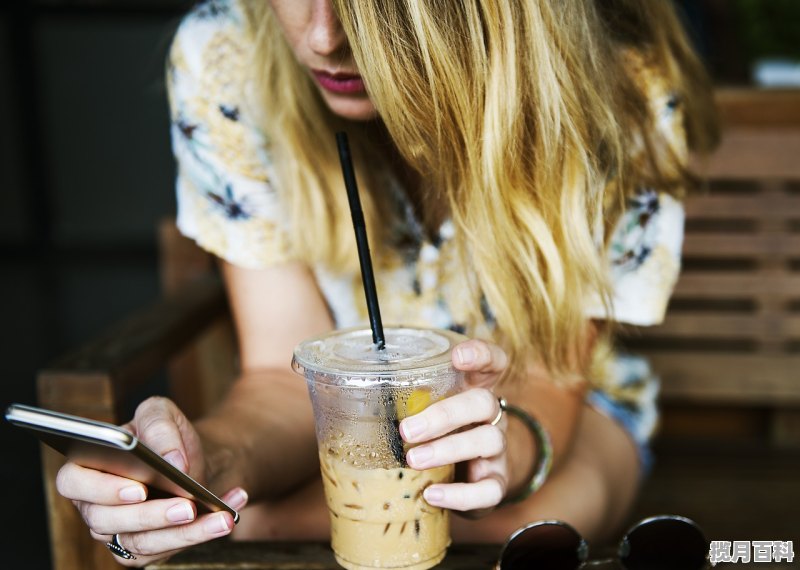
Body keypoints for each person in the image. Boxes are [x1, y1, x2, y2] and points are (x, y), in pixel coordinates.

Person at [55, 0, 718, 566]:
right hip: (346, 428)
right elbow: (283, 378)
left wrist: (501, 450)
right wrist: (209, 467)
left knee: (518, 532)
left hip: (559, 409)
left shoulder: (617, 90)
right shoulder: (227, 57)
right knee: (262, 520)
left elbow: (551, 379)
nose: (322, 37)